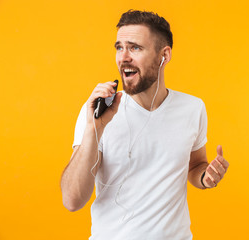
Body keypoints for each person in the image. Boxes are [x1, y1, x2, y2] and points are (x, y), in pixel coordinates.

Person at [60, 10, 229, 240]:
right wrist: (94, 129)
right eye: (119, 47)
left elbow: (195, 165)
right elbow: (72, 200)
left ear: (164, 55)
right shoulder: (98, 112)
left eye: (135, 47)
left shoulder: (192, 108)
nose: (123, 57)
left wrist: (205, 177)